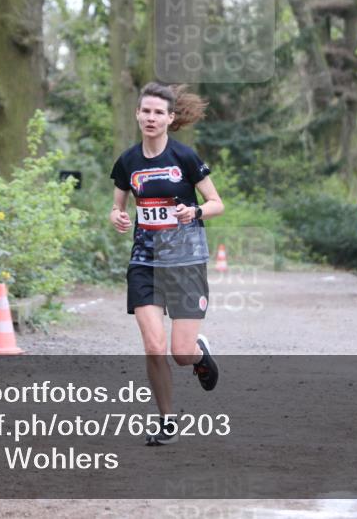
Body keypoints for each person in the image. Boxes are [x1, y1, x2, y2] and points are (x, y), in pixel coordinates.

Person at [109, 82, 224, 446]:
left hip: (186, 262)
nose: (151, 118)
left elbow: (217, 203)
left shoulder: (185, 158)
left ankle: (198, 355)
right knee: (154, 346)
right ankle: (167, 420)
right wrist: (117, 217)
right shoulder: (128, 161)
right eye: (146, 111)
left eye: (159, 112)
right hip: (145, 262)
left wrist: (195, 211)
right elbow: (118, 206)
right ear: (137, 114)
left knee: (179, 353)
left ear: (170, 118)